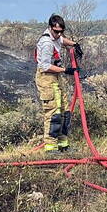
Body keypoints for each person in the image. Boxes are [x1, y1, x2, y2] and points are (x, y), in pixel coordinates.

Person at [34, 14, 81, 152]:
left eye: (61, 31)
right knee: (53, 111)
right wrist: (66, 70)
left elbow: (61, 40)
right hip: (47, 77)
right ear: (50, 28)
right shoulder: (47, 43)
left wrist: (74, 44)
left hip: (56, 76)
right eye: (56, 31)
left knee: (64, 109)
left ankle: (62, 144)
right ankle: (50, 146)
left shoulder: (56, 36)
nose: (58, 34)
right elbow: (45, 66)